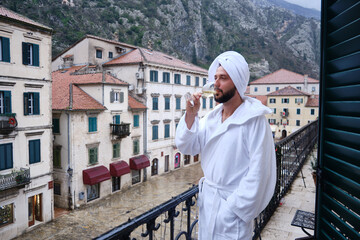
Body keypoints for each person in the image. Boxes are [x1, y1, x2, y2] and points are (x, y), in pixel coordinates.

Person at [175, 51, 276, 240]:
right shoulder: (211, 118)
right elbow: (187, 147)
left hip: (233, 213)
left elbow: (259, 173)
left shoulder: (254, 120)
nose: (216, 84)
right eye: (215, 78)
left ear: (237, 82)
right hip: (209, 205)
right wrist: (190, 115)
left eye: (223, 78)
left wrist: (233, 209)